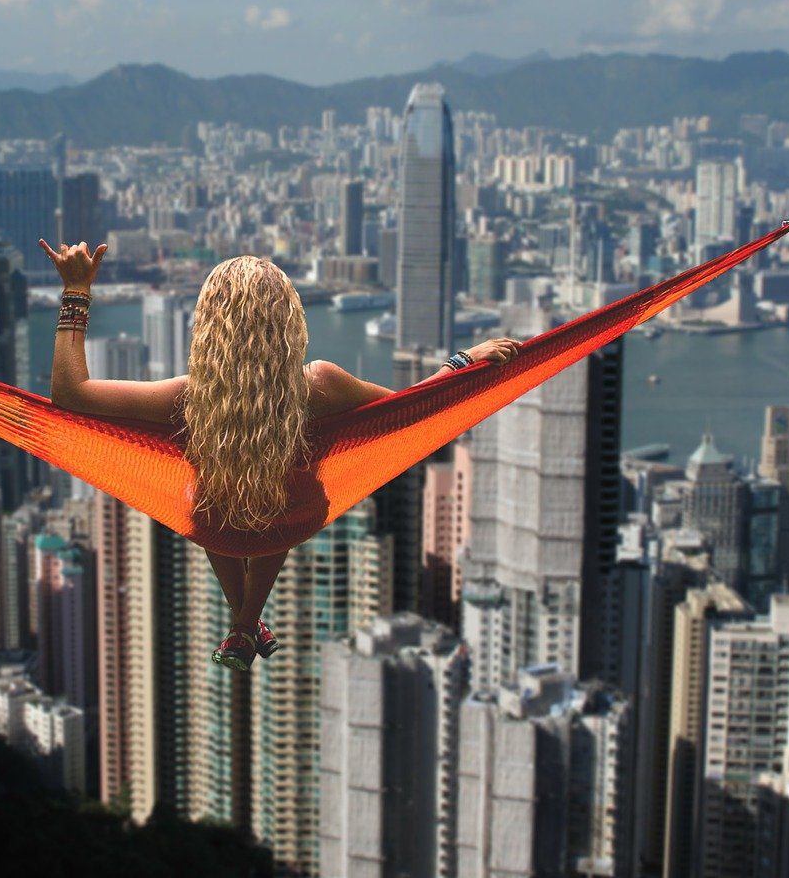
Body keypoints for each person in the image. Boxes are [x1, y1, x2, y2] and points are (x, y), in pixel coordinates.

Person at [41, 240, 520, 671]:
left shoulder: (186, 400)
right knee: (284, 484)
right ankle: (247, 627)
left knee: (209, 488)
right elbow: (408, 407)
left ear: (209, 327)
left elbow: (70, 392)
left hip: (216, 527)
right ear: (288, 321)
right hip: (292, 520)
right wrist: (461, 362)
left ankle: (245, 623)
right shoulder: (321, 386)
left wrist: (77, 289)